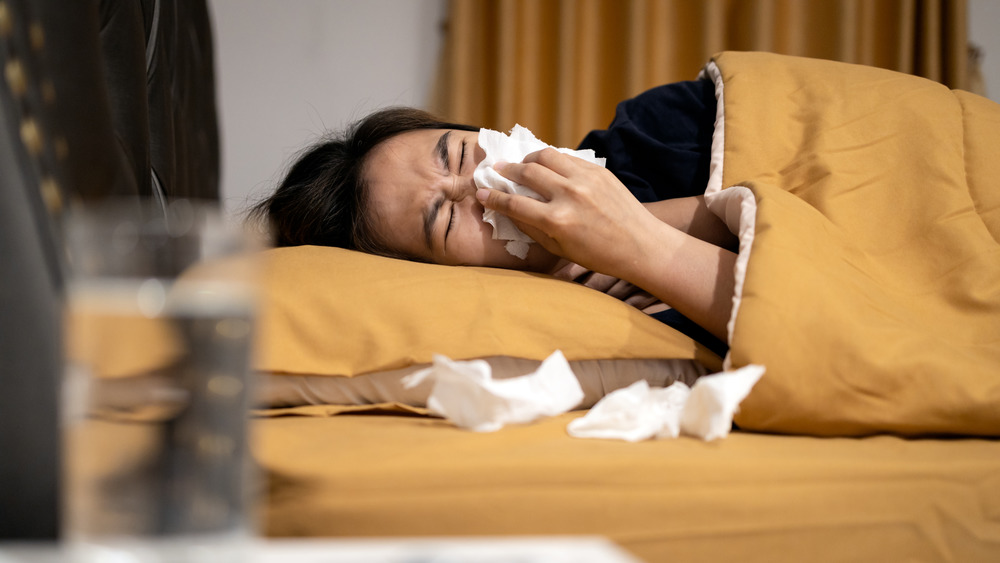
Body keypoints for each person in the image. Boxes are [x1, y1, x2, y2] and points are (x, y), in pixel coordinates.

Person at [250, 81, 738, 352]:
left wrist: (631, 226)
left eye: (460, 154)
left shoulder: (663, 126)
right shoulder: (571, 337)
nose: (479, 187)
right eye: (443, 219)